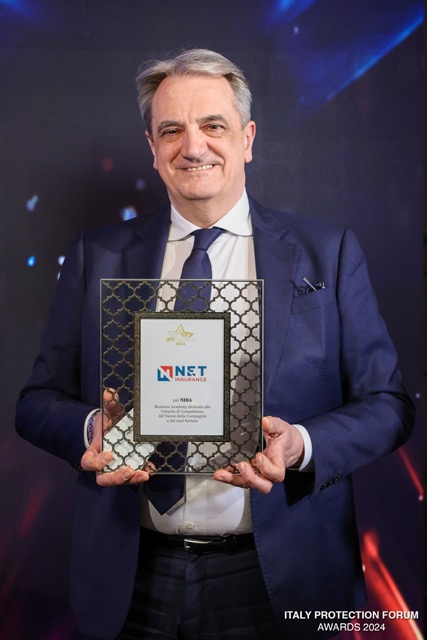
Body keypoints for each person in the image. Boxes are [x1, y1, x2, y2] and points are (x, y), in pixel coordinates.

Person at [16, 48, 414, 640]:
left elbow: (390, 405)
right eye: (171, 130)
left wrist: (301, 446)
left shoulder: (326, 252)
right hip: (131, 574)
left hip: (279, 573)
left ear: (247, 139)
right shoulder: (97, 257)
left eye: (213, 125)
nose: (193, 146)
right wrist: (93, 430)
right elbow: (36, 402)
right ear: (152, 148)